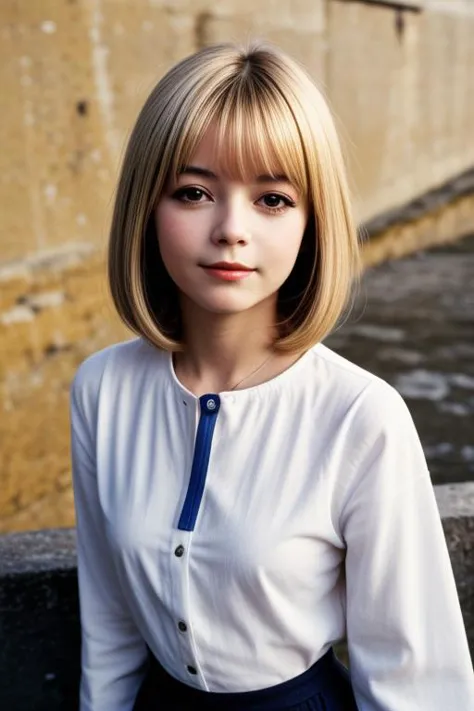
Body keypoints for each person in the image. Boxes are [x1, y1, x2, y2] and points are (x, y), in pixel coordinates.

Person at [70, 41, 474, 711]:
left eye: (273, 199)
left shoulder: (360, 415)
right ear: (147, 205)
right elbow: (108, 624)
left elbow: (415, 673)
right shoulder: (101, 390)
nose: (231, 229)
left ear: (314, 223)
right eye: (194, 191)